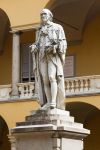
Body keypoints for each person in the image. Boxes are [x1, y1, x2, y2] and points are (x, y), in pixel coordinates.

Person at [30, 8, 67, 109]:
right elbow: (37, 44)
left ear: (50, 16)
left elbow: (63, 42)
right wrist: (34, 47)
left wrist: (55, 47)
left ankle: (54, 102)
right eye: (41, 15)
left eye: (45, 14)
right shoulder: (40, 30)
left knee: (52, 77)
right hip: (42, 56)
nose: (43, 16)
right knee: (45, 80)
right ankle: (48, 101)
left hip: (52, 56)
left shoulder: (57, 27)